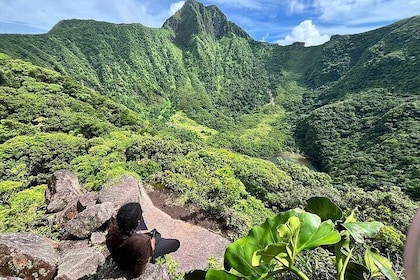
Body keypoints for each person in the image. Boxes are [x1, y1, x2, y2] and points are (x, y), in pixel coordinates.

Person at [106, 202, 180, 276]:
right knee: (175, 243)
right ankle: (157, 239)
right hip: (133, 261)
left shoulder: (111, 231)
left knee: (144, 225)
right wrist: (151, 249)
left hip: (122, 259)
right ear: (137, 223)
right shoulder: (143, 242)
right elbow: (138, 272)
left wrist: (138, 233)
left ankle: (155, 236)